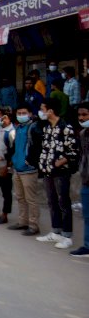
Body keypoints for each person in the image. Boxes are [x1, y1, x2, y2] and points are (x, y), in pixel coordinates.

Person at [36, 98, 78, 250]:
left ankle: (67, 235)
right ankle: (56, 231)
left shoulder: (65, 127)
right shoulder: (47, 127)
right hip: (48, 171)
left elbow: (73, 151)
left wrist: (59, 162)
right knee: (52, 201)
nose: (40, 112)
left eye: (42, 109)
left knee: (63, 203)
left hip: (61, 172)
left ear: (50, 110)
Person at [8, 104, 43, 236]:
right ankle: (23, 222)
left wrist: (30, 161)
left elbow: (37, 147)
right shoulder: (18, 128)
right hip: (17, 167)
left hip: (29, 169)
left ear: (30, 114)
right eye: (19, 113)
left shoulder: (34, 128)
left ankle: (34, 225)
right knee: (20, 197)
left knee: (31, 199)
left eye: (24, 113)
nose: (21, 115)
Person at [70, 102, 89, 257]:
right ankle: (87, 245)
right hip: (86, 180)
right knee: (87, 216)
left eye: (85, 115)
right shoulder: (83, 134)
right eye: (80, 115)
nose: (82, 118)